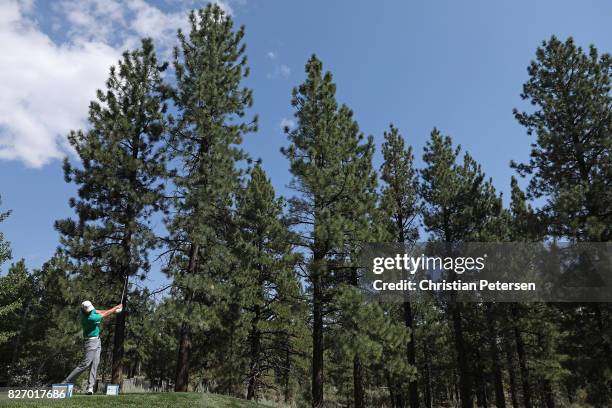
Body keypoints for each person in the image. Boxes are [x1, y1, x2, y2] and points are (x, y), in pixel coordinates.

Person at [62, 300, 123, 394]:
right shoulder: (90, 318)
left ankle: (90, 387)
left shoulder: (84, 311)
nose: (91, 310)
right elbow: (105, 314)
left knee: (95, 363)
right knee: (85, 364)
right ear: (86, 310)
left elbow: (97, 311)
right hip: (91, 342)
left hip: (97, 341)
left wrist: (113, 309)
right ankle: (66, 382)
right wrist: (115, 308)